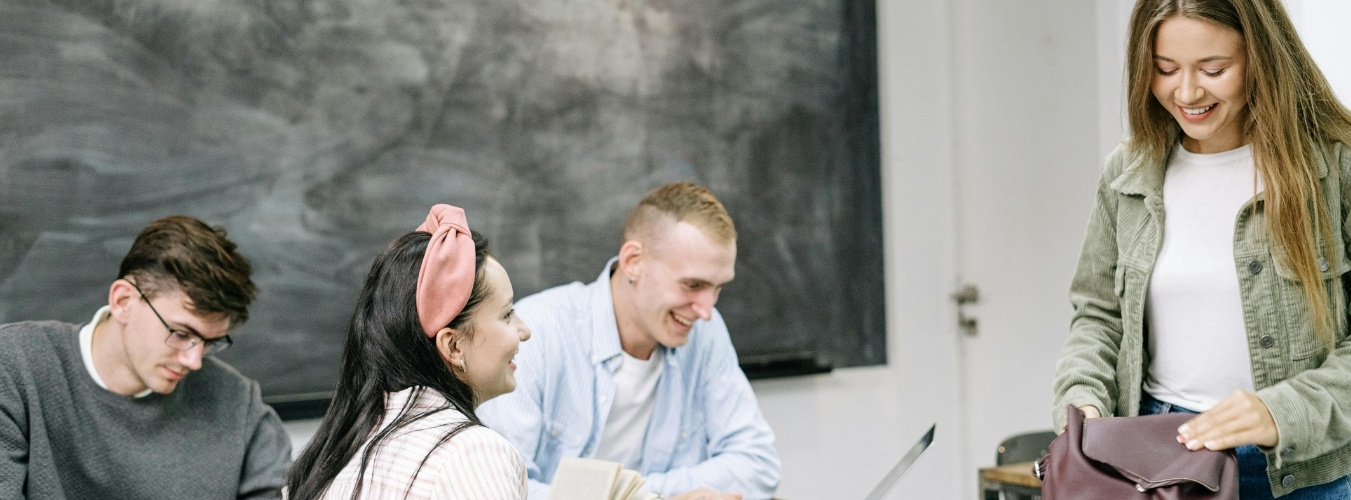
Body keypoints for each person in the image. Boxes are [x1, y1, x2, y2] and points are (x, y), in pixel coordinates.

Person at [1052, 0, 1351, 498]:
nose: (1186, 92)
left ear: (1262, 57)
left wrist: (1282, 411)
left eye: (1214, 69)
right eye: (1164, 70)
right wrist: (1083, 405)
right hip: (1156, 461)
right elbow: (1098, 316)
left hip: (1296, 471)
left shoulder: (1344, 164)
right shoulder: (1129, 173)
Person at [477, 182, 779, 500]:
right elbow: (504, 488)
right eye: (693, 285)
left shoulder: (706, 332)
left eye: (718, 288)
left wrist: (642, 495)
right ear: (634, 261)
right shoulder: (535, 333)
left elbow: (758, 466)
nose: (706, 310)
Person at [0, 215, 290, 499]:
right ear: (123, 301)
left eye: (210, 342)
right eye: (180, 333)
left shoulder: (238, 404)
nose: (194, 361)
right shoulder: (15, 368)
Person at [285, 205, 531, 499]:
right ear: (453, 346)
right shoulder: (470, 453)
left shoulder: (332, 454)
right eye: (507, 314)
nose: (524, 330)